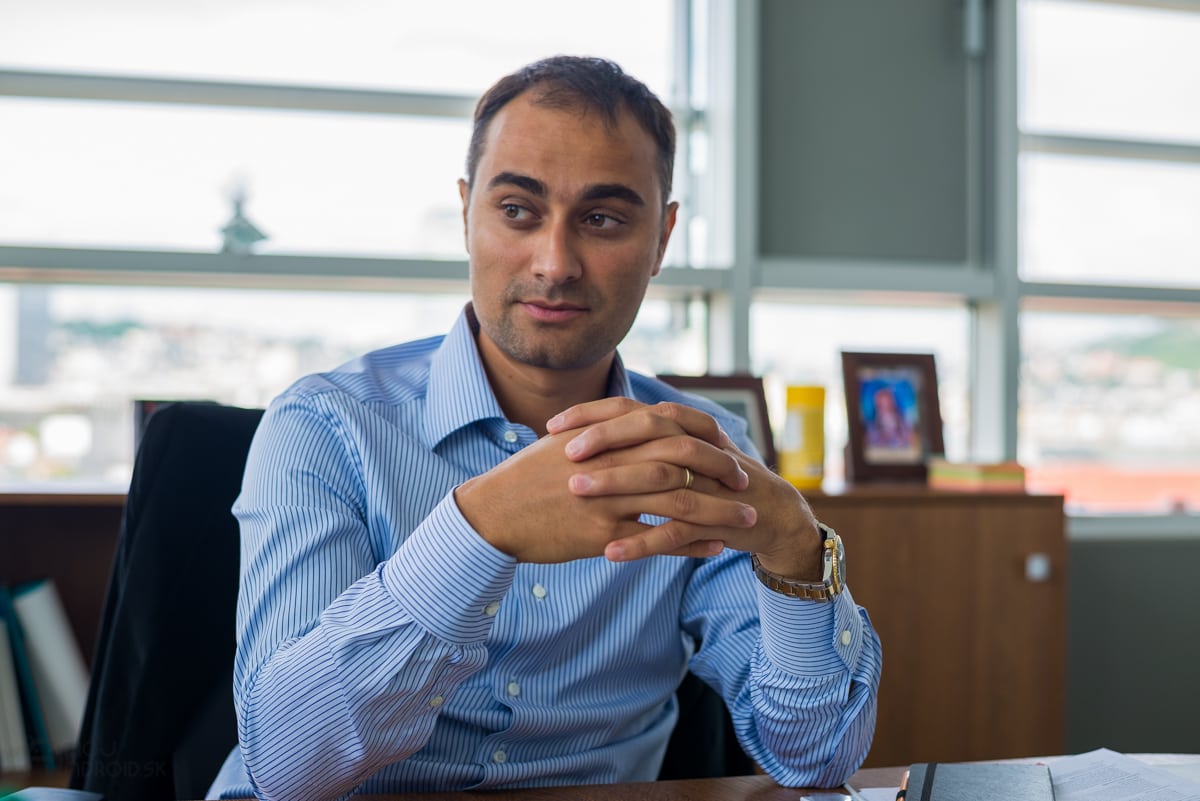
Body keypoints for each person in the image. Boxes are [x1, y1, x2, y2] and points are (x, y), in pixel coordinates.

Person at [207, 55, 881, 801]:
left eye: (602, 219)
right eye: (518, 211)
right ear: (467, 214)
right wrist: (480, 529)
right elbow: (288, 765)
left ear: (662, 238)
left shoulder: (699, 451)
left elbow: (816, 759)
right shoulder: (325, 427)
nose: (555, 263)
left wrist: (798, 552)